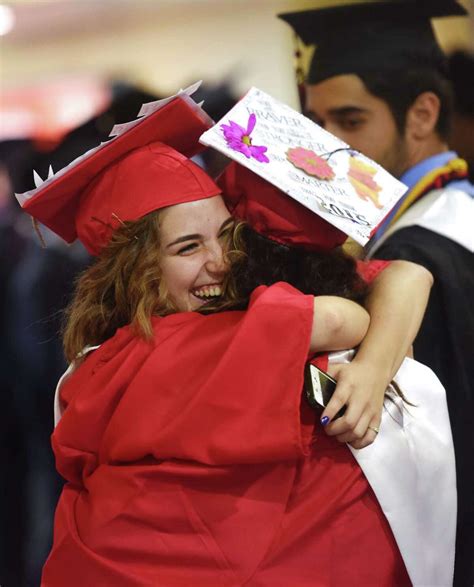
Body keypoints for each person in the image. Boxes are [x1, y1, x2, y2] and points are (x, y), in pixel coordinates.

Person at [17, 93, 451, 585]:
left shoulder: (109, 357)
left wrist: (372, 365)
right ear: (134, 269)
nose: (221, 261)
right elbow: (341, 316)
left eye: (227, 235)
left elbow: (409, 276)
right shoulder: (165, 348)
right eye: (187, 247)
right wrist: (373, 358)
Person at [279, 2, 474, 583]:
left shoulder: (417, 256)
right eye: (317, 123)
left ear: (421, 114)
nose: (328, 149)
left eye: (351, 120)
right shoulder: (456, 212)